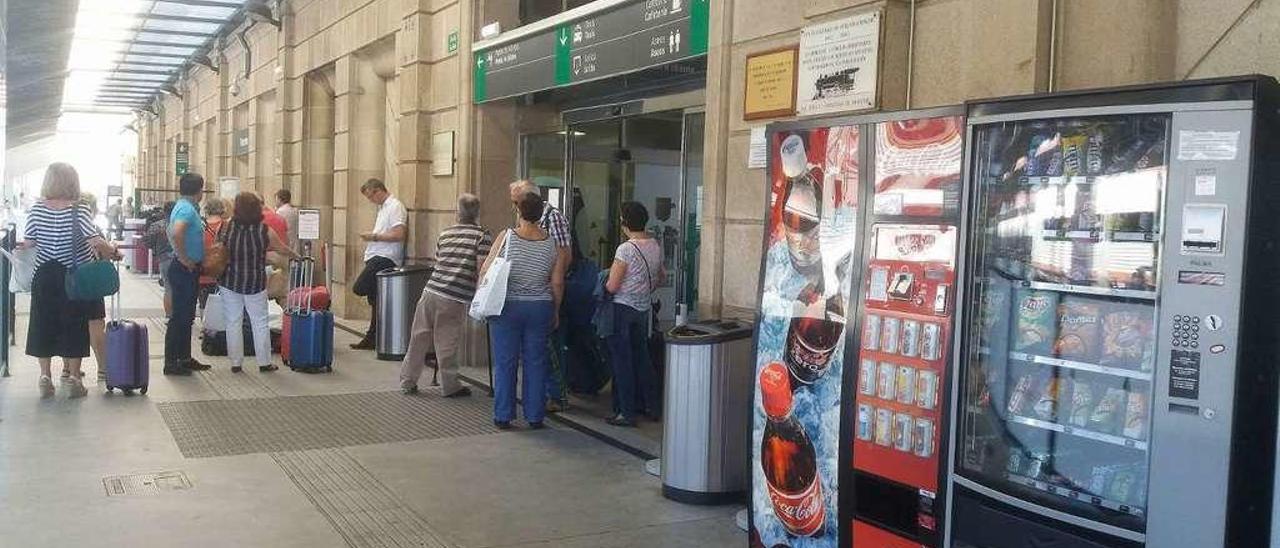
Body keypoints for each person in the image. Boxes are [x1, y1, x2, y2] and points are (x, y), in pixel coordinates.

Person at [21, 163, 116, 398]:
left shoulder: (36, 209)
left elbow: (29, 242)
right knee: (74, 325)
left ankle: (45, 376)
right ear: (73, 182)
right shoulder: (79, 209)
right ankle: (74, 378)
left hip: (43, 275)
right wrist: (113, 251)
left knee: (43, 323)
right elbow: (94, 239)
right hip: (72, 277)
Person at [480, 190, 566, 430]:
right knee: (536, 362)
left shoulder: (507, 237)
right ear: (541, 214)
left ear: (518, 210)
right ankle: (535, 415)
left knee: (505, 362)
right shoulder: (553, 243)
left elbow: (486, 269)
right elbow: (557, 281)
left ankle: (504, 415)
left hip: (508, 306)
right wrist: (555, 309)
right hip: (540, 307)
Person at [399, 194, 492, 397]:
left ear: (457, 212)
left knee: (419, 337)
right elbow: (481, 269)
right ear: (477, 213)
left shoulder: (445, 233)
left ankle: (407, 380)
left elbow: (439, 260)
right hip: (455, 296)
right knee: (447, 341)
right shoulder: (482, 235)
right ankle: (450, 385)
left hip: (431, 290)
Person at [217, 192, 300, 373]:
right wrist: (296, 256)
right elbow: (281, 248)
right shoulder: (264, 230)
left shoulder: (226, 227)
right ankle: (264, 362)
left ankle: (236, 363)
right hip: (255, 281)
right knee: (260, 321)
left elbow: (219, 250)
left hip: (230, 281)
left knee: (233, 321)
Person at [509, 180, 572, 413]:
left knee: (551, 348)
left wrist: (554, 291)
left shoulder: (552, 217)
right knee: (539, 351)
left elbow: (564, 255)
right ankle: (542, 396)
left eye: (516, 202)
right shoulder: (529, 222)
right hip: (536, 294)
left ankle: (557, 395)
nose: (514, 207)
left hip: (547, 292)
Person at [603, 201, 664, 427]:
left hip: (622, 308)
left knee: (622, 361)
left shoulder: (626, 249)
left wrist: (604, 285)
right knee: (642, 358)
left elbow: (612, 285)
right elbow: (661, 277)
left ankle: (626, 412)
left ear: (624, 222)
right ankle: (652, 406)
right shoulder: (654, 245)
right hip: (643, 308)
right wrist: (643, 289)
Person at [350, 178, 406, 350]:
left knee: (359, 287)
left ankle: (375, 335)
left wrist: (373, 237)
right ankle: (372, 337)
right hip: (376, 256)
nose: (370, 201)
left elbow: (398, 234)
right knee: (375, 300)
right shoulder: (383, 208)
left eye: (370, 197)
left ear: (378, 190)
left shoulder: (395, 207)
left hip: (385, 258)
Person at [164, 173, 211, 376]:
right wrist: (183, 258)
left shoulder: (185, 207)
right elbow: (176, 232)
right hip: (184, 269)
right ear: (199, 191)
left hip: (187, 269)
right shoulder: (186, 209)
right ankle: (172, 362)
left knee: (186, 317)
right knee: (180, 317)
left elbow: (171, 231)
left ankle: (184, 357)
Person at [143, 201, 176, 315]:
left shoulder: (157, 225)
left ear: (164, 211)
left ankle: (169, 315)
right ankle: (179, 314)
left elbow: (146, 241)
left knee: (168, 288)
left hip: (164, 259)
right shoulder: (182, 224)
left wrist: (155, 246)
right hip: (181, 258)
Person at [199, 198, 229, 307]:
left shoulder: (200, 226)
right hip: (222, 273)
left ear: (207, 209)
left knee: (204, 304)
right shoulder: (227, 226)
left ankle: (205, 323)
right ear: (222, 210)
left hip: (203, 271)